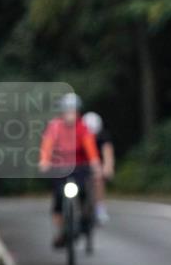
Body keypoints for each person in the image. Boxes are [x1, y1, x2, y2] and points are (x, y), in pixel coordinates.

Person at [38, 93, 101, 248]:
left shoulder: (83, 128)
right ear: (62, 112)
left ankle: (86, 219)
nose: (70, 115)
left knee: (85, 193)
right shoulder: (55, 127)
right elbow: (47, 146)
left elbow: (90, 148)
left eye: (74, 111)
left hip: (79, 167)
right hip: (60, 168)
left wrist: (95, 163)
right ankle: (61, 231)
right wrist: (44, 162)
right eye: (68, 111)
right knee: (58, 200)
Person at [82, 111, 114, 224]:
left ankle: (100, 208)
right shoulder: (76, 136)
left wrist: (107, 168)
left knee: (98, 180)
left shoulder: (103, 137)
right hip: (81, 165)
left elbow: (108, 153)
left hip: (96, 164)